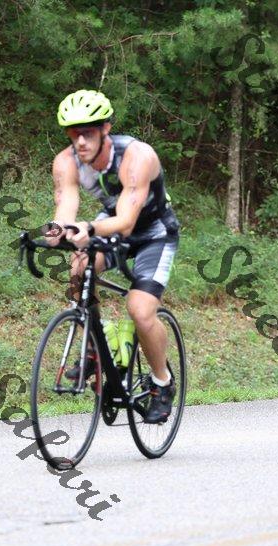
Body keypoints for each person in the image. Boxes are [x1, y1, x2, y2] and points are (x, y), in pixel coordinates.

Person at [45, 89, 180, 424]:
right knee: (79, 266)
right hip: (110, 223)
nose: (80, 141)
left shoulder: (137, 156)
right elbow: (66, 207)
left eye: (88, 132)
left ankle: (162, 383)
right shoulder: (66, 162)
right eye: (73, 133)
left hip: (154, 232)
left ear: (105, 128)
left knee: (140, 310)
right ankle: (96, 343)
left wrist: (88, 228)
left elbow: (127, 220)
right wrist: (57, 231)